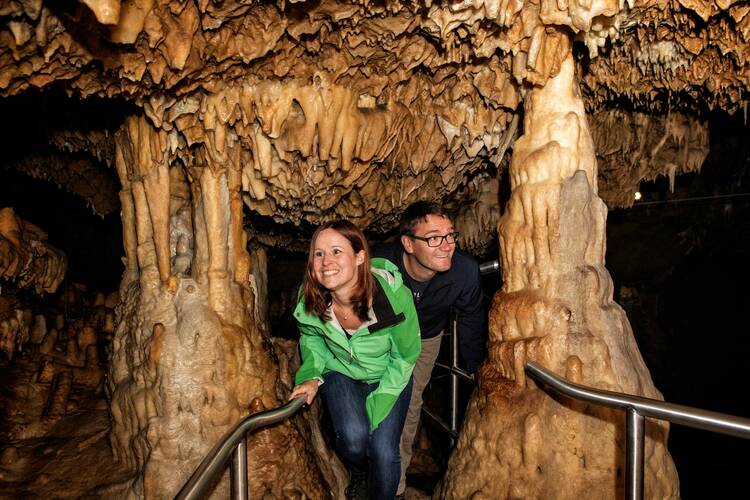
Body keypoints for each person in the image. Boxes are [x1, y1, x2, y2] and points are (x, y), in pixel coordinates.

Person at [290, 220, 421, 500]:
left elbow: (406, 355)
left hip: (389, 374)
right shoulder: (310, 299)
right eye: (319, 253)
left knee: (384, 452)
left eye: (337, 251)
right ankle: (359, 473)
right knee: (352, 440)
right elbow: (311, 337)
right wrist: (311, 374)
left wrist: (379, 404)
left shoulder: (393, 297)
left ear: (360, 257)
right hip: (342, 373)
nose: (326, 262)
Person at [371, 201, 487, 498]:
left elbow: (472, 319)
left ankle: (393, 486)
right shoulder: (377, 264)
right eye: (434, 238)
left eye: (450, 235)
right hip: (381, 336)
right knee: (371, 400)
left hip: (425, 338)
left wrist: (476, 369)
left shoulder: (465, 272)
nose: (447, 245)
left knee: (410, 404)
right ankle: (363, 470)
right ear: (408, 244)